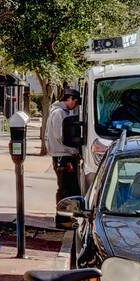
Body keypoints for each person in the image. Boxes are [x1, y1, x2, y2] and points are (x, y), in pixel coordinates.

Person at [44, 87, 85, 220]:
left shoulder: (59, 112)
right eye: (76, 101)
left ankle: (65, 216)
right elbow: (61, 136)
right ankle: (63, 217)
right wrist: (74, 151)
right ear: (69, 99)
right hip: (63, 156)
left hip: (62, 155)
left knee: (67, 187)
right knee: (67, 188)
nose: (77, 105)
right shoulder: (59, 113)